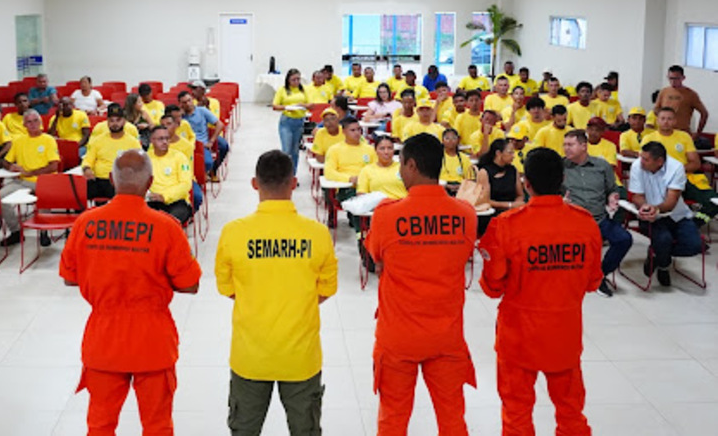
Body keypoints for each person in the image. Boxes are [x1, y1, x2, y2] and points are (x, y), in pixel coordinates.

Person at [60, 149, 201, 436]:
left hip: (103, 339)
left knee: (100, 424)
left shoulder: (85, 223)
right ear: (150, 183)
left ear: (111, 179)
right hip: (152, 339)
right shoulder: (166, 227)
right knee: (158, 425)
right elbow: (191, 284)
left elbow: (70, 278)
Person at [479, 148, 602, 436]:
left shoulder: (506, 225)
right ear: (562, 179)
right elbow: (593, 281)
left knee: (516, 414)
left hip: (518, 338)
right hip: (565, 335)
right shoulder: (585, 223)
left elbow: (492, 287)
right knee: (571, 412)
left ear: (526, 182)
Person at [215, 150, 337, 436]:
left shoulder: (234, 233)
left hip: (250, 356)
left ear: (255, 184)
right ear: (293, 183)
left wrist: (255, 297)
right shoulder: (316, 234)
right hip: (301, 357)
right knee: (305, 430)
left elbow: (227, 288)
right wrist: (299, 298)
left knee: (244, 430)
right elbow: (327, 288)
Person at [366, 133, 477, 435]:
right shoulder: (465, 214)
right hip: (447, 336)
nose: (399, 172)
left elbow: (376, 256)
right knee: (452, 418)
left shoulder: (387, 215)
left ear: (412, 165)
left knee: (393, 419)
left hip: (399, 335)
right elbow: (463, 255)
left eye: (401, 165)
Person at [562, 129, 632, 298]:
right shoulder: (560, 166)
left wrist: (613, 197)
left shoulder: (602, 166)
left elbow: (612, 189)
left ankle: (599, 274)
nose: (566, 149)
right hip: (573, 221)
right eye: (564, 145)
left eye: (570, 145)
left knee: (624, 239)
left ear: (584, 146)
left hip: (599, 219)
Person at [628, 142, 703, 287]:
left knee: (694, 245)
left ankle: (657, 255)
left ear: (660, 161)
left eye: (646, 159)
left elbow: (671, 201)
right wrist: (645, 207)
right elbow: (636, 196)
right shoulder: (637, 166)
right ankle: (663, 266)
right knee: (664, 240)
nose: (641, 161)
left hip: (676, 214)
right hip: (649, 217)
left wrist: (655, 209)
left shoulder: (676, 168)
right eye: (641, 157)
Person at [641, 107, 717, 223]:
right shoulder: (649, 138)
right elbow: (644, 163)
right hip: (659, 181)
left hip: (686, 179)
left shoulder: (684, 137)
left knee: (714, 200)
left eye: (669, 119)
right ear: (657, 120)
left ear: (675, 121)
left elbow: (695, 163)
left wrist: (676, 171)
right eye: (663, 118)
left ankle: (694, 224)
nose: (666, 121)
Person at [0, 109, 60, 246]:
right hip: (21, 181)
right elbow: (6, 161)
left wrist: (30, 173)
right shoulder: (19, 141)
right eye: (29, 122)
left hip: (44, 181)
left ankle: (43, 232)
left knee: (44, 198)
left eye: (35, 121)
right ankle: (16, 231)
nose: (33, 124)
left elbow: (53, 167)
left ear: (40, 122)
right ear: (24, 125)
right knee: (0, 197)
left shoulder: (48, 140)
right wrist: (10, 167)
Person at [82, 104, 142, 202]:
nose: (115, 124)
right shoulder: (98, 140)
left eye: (118, 120)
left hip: (121, 181)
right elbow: (88, 159)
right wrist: (87, 169)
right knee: (79, 192)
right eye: (111, 121)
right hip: (100, 180)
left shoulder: (133, 142)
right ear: (107, 122)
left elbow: (139, 163)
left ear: (124, 121)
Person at [324, 116, 377, 207]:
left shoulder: (370, 149)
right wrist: (349, 179)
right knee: (357, 204)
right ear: (344, 132)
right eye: (352, 130)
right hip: (347, 188)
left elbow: (377, 169)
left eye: (359, 129)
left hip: (368, 187)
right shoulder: (334, 150)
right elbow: (329, 172)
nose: (357, 133)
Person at [475, 139, 523, 236]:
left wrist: (517, 204)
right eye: (510, 152)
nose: (513, 156)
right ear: (498, 153)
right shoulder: (485, 172)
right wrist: (509, 205)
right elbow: (485, 201)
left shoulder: (513, 170)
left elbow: (520, 195)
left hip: (511, 212)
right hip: (492, 213)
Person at [146, 125, 193, 223]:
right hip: (152, 201)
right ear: (152, 140)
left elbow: (185, 184)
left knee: (168, 222)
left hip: (176, 202)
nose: (164, 142)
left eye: (167, 138)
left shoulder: (179, 157)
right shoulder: (145, 158)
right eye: (160, 139)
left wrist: (165, 196)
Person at [178, 90, 228, 179]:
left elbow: (220, 124)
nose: (188, 104)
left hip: (201, 145)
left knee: (208, 162)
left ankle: (211, 171)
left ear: (192, 99)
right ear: (180, 104)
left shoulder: (202, 111)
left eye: (189, 100)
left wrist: (211, 141)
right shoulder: (179, 115)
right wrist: (178, 116)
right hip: (185, 145)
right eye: (184, 102)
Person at [272, 68, 310, 176]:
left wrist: (303, 105)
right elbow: (275, 105)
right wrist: (287, 107)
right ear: (288, 80)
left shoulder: (303, 90)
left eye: (298, 79)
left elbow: (311, 104)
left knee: (295, 151)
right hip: (287, 121)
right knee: (286, 150)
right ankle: (284, 175)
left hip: (299, 122)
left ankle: (293, 175)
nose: (296, 82)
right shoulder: (282, 90)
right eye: (293, 79)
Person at [653, 64, 709, 135]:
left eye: (676, 78)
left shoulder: (691, 94)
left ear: (683, 78)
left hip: (682, 132)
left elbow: (704, 113)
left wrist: (698, 133)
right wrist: (665, 116)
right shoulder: (663, 92)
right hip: (664, 133)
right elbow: (656, 109)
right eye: (670, 78)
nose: (673, 81)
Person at [356, 135, 407, 200]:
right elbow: (361, 195)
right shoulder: (367, 170)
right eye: (382, 148)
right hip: (378, 207)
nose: (386, 152)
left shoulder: (403, 168)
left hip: (402, 205)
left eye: (390, 148)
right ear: (375, 150)